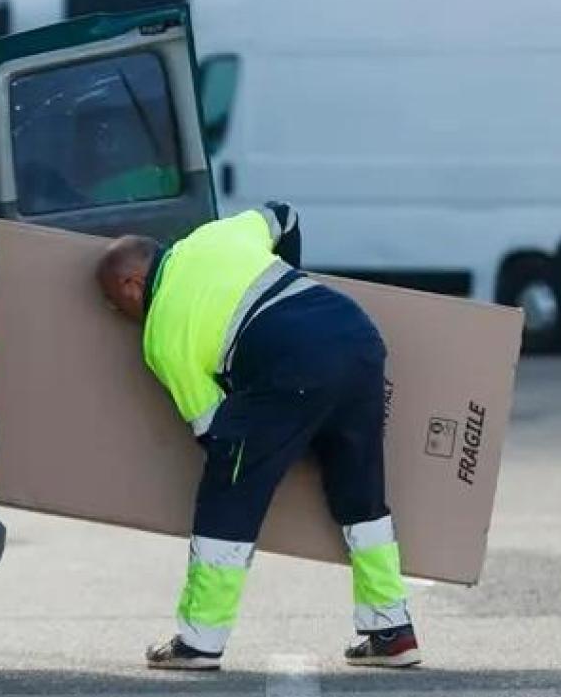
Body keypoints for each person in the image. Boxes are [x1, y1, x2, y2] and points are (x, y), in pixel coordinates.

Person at [96, 203, 420, 671]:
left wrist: (278, 436)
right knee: (362, 499)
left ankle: (199, 642)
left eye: (112, 302)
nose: (118, 312)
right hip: (354, 335)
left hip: (290, 368)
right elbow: (284, 216)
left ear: (131, 284)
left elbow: (214, 432)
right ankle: (392, 632)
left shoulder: (161, 336)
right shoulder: (213, 236)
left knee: (226, 497)